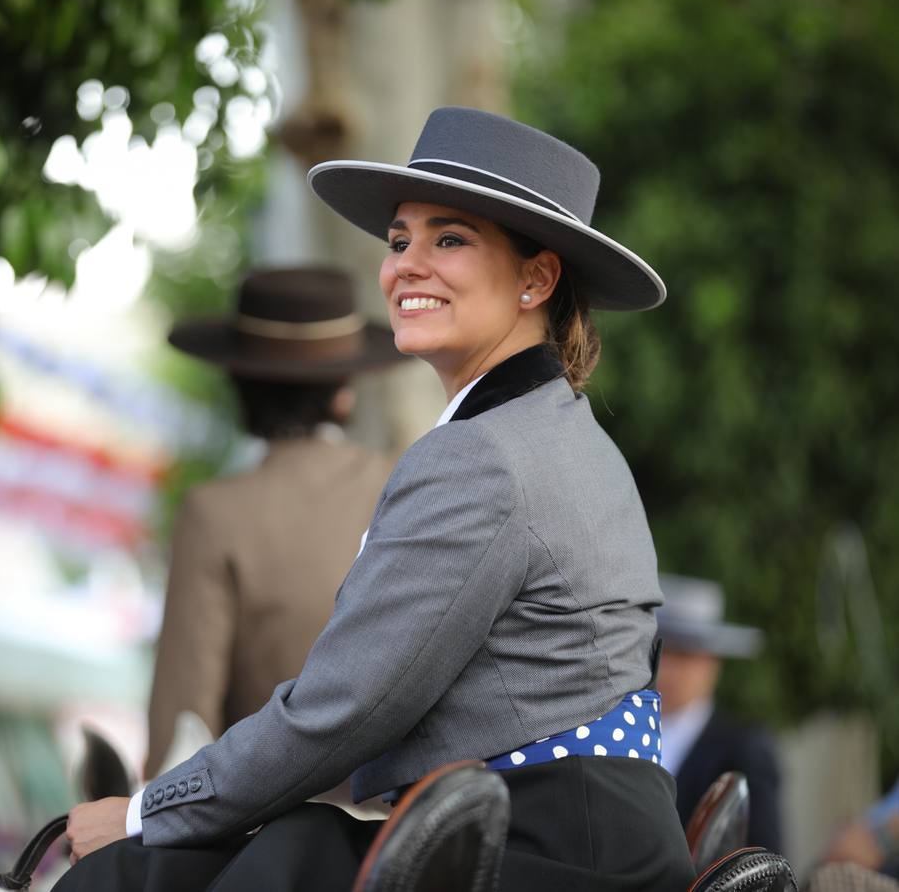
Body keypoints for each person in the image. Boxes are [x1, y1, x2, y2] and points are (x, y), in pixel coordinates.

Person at [57, 106, 695, 892]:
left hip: (541, 849)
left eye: (448, 239)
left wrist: (139, 815)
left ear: (536, 278)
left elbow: (346, 709)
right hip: (579, 835)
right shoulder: (555, 432)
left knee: (151, 874)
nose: (404, 267)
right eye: (398, 242)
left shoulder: (482, 457)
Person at [144, 267, 403, 780]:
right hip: (414, 832)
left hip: (271, 845)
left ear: (240, 383)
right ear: (345, 390)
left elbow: (184, 733)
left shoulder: (215, 514)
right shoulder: (411, 484)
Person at [654, 573, 783, 851]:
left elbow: (762, 861)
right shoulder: (617, 735)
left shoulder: (743, 749)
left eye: (684, 653)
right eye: (659, 650)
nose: (668, 667)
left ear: (712, 662)